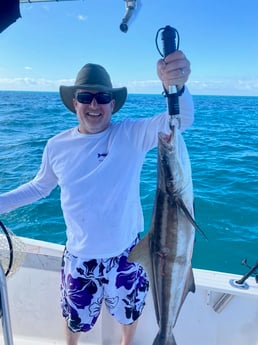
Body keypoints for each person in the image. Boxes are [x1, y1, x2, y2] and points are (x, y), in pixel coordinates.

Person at [0, 50, 193, 345]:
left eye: (102, 98)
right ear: (74, 102)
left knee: (129, 314)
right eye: (86, 97)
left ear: (112, 104)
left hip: (128, 254)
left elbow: (181, 119)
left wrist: (176, 86)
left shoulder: (130, 134)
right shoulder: (56, 146)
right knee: (75, 319)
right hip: (80, 257)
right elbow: (39, 187)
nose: (94, 104)